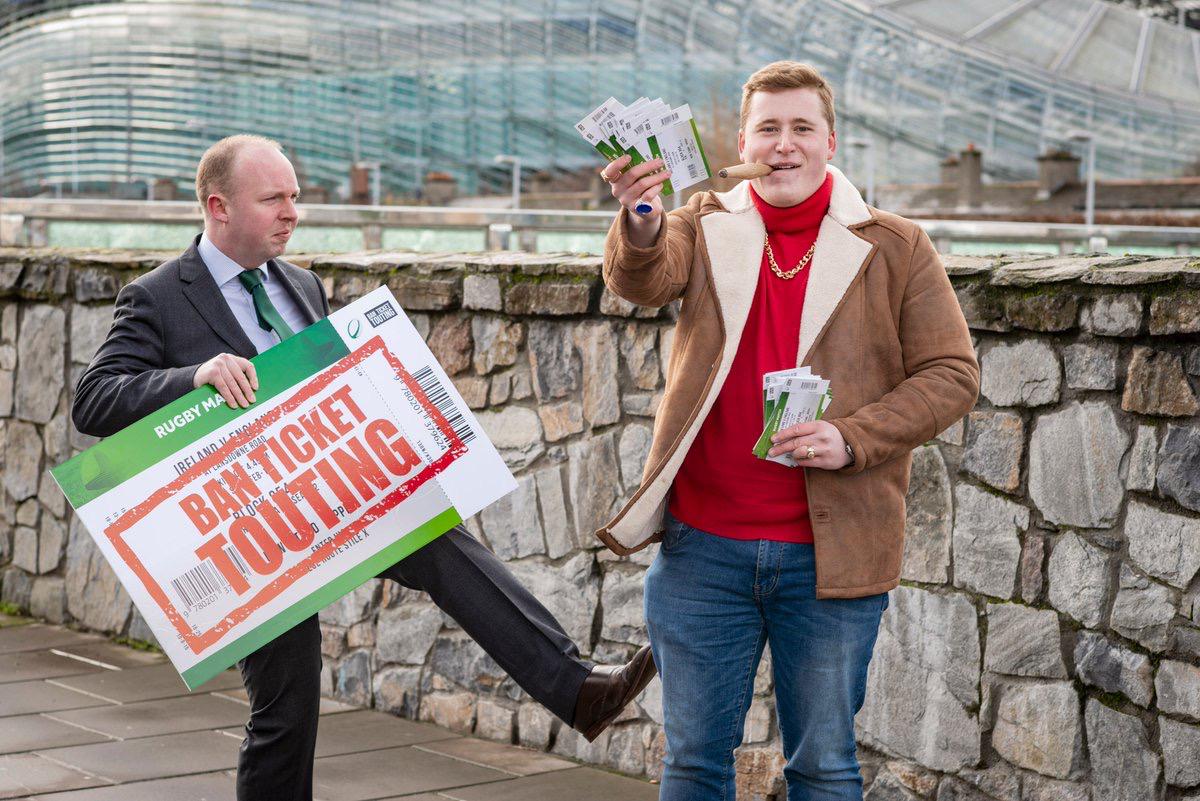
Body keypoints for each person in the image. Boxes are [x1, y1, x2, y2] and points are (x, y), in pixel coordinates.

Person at [72, 134, 656, 801]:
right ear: (218, 207)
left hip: (337, 491)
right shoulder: (157, 297)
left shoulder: (301, 284)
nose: (293, 211)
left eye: (296, 196)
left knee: (438, 535)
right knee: (286, 710)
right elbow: (94, 399)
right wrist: (194, 377)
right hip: (253, 534)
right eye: (274, 199)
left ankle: (577, 689)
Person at [596, 62, 979, 800]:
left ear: (829, 140)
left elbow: (952, 374)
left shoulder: (897, 246)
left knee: (824, 766)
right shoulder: (703, 222)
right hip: (702, 551)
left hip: (834, 556)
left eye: (801, 127)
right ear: (742, 141)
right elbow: (642, 277)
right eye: (767, 128)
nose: (783, 144)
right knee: (692, 763)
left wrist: (854, 436)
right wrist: (641, 215)